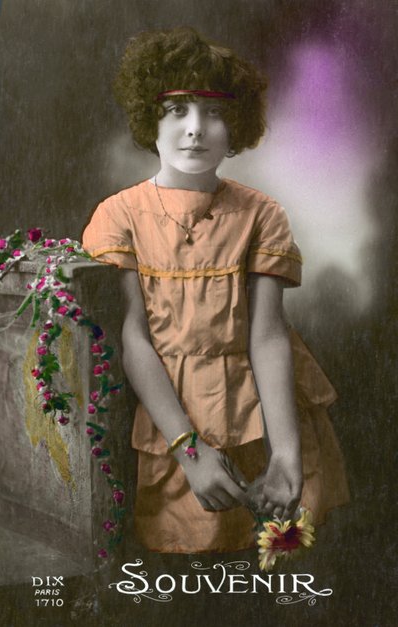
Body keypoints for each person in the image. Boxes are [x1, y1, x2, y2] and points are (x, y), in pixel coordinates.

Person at [82, 27, 349, 553]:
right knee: (181, 565)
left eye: (215, 113)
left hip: (261, 413)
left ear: (237, 127)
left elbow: (268, 336)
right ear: (149, 121)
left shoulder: (262, 214)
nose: (196, 129)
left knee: (276, 564)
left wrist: (285, 452)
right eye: (177, 109)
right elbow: (134, 337)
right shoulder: (121, 216)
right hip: (171, 417)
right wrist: (188, 449)